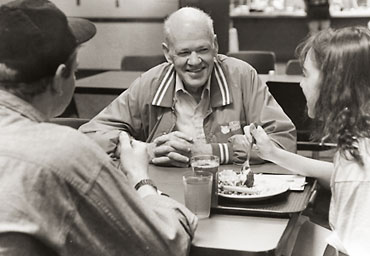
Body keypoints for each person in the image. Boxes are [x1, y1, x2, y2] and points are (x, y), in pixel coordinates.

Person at [0, 0, 197, 255]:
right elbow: (164, 245)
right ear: (61, 78)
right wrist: (141, 179)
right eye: (76, 70)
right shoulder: (64, 153)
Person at [79, 7, 296, 167]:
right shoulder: (150, 83)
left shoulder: (242, 76)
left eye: (202, 50)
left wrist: (211, 152)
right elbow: (89, 136)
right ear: (167, 53)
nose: (194, 61)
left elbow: (284, 142)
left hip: (234, 197)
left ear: (216, 46)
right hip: (165, 196)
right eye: (184, 53)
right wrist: (146, 150)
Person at [245, 27, 370, 255]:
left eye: (306, 74)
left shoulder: (358, 167)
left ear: (334, 84)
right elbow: (336, 173)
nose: (301, 84)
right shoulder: (359, 147)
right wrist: (273, 153)